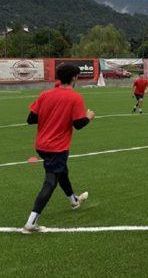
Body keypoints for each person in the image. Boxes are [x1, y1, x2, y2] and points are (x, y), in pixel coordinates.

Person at [22, 64, 95, 234]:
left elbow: (31, 119)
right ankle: (31, 223)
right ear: (75, 78)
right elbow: (78, 124)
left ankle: (73, 200)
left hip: (41, 145)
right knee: (50, 181)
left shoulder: (45, 94)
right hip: (57, 147)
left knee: (62, 171)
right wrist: (89, 117)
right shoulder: (75, 98)